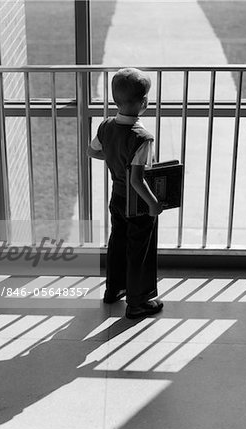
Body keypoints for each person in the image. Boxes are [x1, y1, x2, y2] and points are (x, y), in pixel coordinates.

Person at [88, 67, 164, 319]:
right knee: (139, 249)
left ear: (115, 100)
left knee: (118, 241)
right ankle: (138, 302)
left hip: (117, 198)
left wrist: (114, 159)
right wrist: (153, 204)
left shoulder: (106, 126)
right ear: (144, 102)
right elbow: (137, 179)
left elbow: (93, 152)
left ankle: (114, 289)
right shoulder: (143, 138)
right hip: (137, 204)